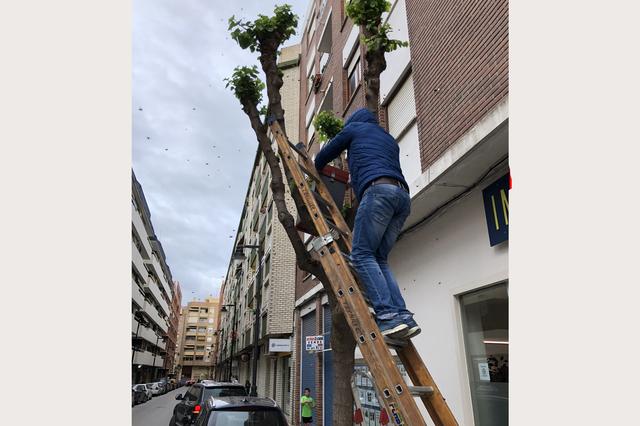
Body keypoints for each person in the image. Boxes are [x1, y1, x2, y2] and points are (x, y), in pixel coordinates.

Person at [314, 107, 419, 338]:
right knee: (379, 258)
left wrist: (316, 167)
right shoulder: (388, 140)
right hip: (401, 197)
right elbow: (376, 162)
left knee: (361, 255)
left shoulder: (354, 129)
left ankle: (388, 316)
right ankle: (403, 317)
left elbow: (326, 153)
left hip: (378, 193)